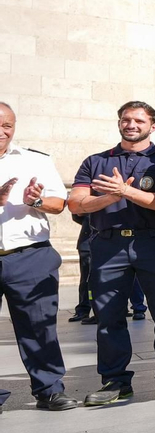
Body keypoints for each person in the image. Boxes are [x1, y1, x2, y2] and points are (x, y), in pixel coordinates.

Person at [68, 101, 155, 406]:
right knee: (108, 317)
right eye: (125, 119)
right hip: (108, 245)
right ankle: (115, 380)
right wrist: (108, 197)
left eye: (138, 120)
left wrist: (127, 192)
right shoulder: (96, 161)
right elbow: (77, 203)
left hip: (153, 243)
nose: (130, 125)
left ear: (153, 126)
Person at [0, 101, 78, 412]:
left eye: (7, 125)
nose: (2, 132)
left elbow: (59, 204)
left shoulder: (35, 160)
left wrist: (38, 200)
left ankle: (49, 389)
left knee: (39, 325)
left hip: (29, 257)